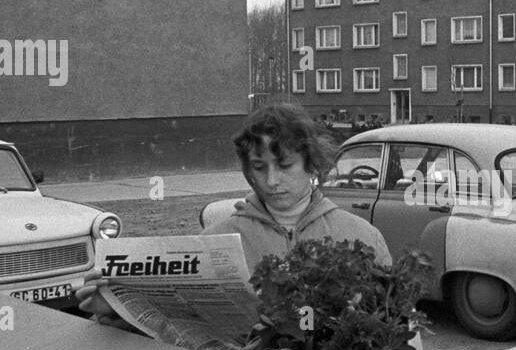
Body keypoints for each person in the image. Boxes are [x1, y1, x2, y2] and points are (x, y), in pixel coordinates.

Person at [77, 103, 391, 324]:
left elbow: (394, 333)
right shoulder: (215, 240)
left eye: (284, 166)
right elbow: (178, 330)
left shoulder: (363, 238)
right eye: (258, 167)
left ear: (311, 163)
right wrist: (117, 308)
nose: (271, 181)